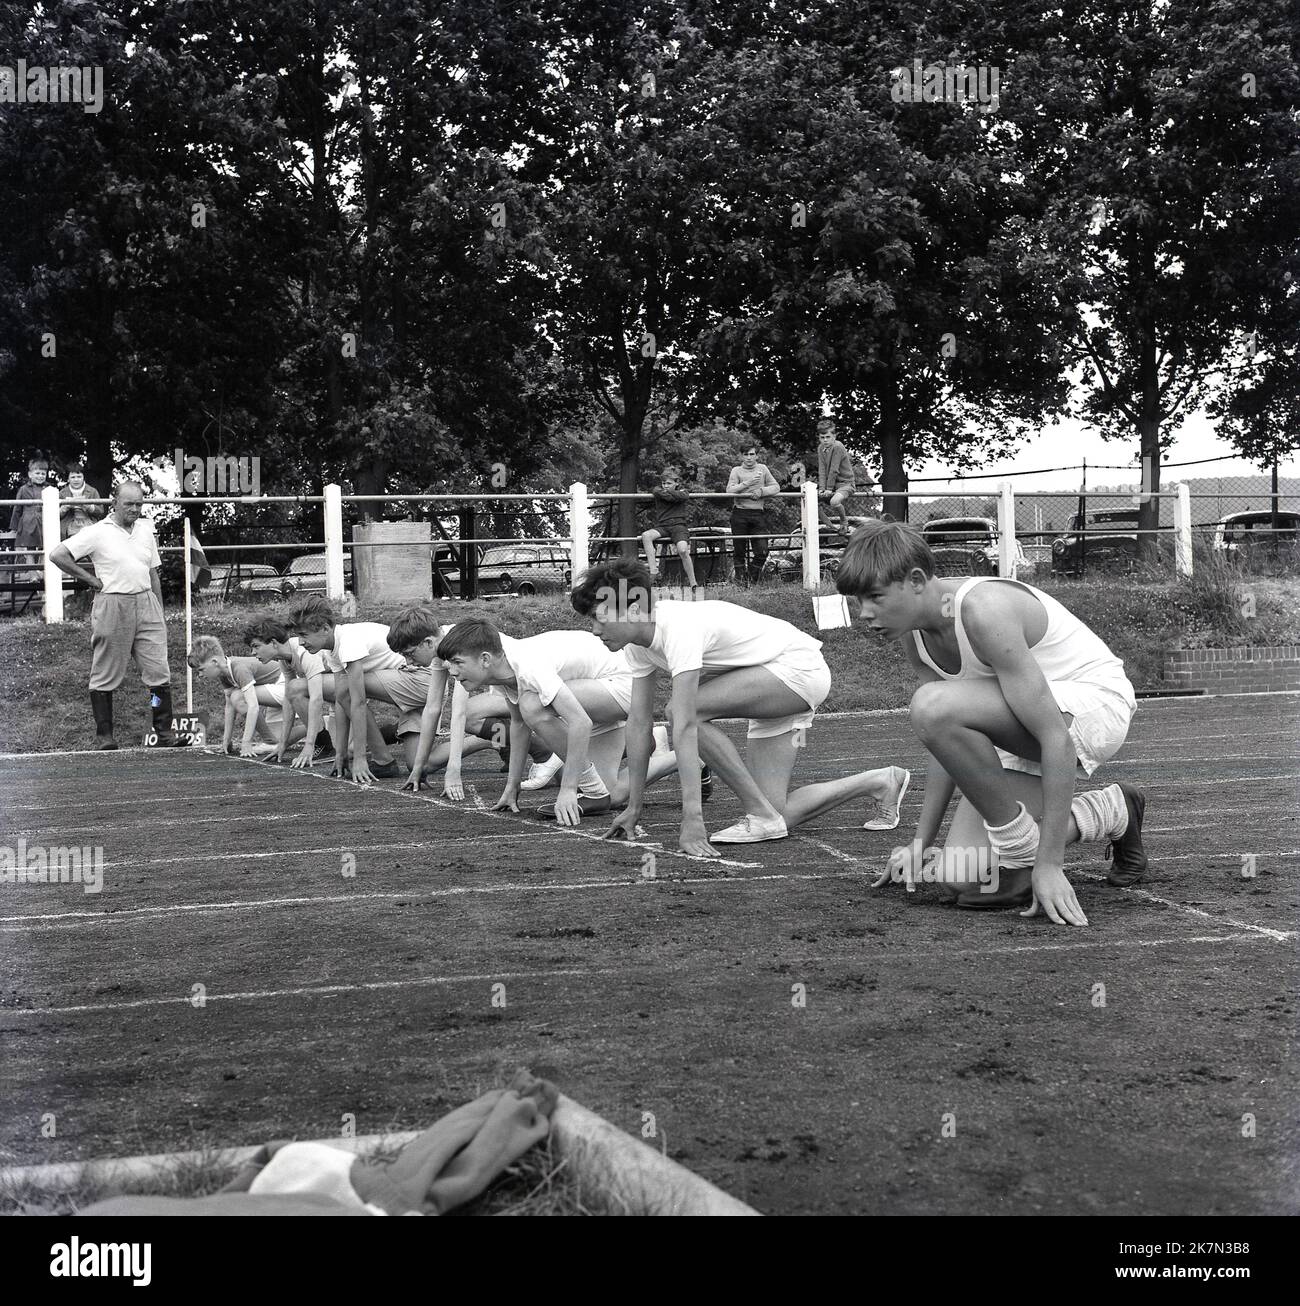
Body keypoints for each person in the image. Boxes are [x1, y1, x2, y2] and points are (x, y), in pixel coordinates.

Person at [834, 520, 1147, 927]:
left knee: (932, 704)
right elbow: (944, 742)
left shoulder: (982, 609)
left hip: (1090, 709)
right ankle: (1113, 809)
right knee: (960, 877)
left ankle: (1021, 854)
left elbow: (1055, 738)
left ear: (915, 580)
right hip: (1020, 725)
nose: (865, 613)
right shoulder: (915, 634)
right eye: (858, 602)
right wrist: (920, 843)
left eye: (874, 597)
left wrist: (1048, 865)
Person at [571, 558, 910, 856]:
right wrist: (634, 806)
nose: (595, 629)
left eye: (601, 618)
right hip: (764, 682)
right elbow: (639, 723)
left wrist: (692, 819)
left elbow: (686, 723)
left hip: (796, 671)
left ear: (633, 610)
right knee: (776, 817)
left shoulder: (678, 628)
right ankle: (880, 781)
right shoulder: (636, 646)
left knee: (681, 712)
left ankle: (754, 812)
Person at [435, 618, 690, 824]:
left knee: (532, 704)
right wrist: (512, 786)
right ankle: (690, 757)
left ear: (485, 659)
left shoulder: (528, 665)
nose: (452, 672)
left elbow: (580, 722)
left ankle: (595, 785)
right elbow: (519, 726)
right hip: (592, 694)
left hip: (623, 686)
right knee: (610, 795)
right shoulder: (501, 674)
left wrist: (569, 789)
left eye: (457, 663)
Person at [48, 480, 187, 748]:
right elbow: (58, 554)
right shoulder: (97, 531)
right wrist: (91, 580)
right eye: (129, 504)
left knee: (158, 671)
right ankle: (104, 735)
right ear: (114, 503)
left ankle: (163, 730)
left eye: (139, 504)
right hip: (113, 604)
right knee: (105, 671)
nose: (135, 509)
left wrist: (158, 609)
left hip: (146, 603)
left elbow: (152, 572)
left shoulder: (146, 531)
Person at [383, 605, 554, 798]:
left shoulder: (457, 645)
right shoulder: (440, 648)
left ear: (428, 643)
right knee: (427, 759)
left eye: (409, 653)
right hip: (512, 690)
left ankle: (543, 750)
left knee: (469, 715)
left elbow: (459, 712)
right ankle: (513, 743)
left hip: (535, 684)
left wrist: (454, 771)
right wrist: (418, 767)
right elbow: (432, 708)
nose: (408, 662)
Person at [286, 594, 429, 784]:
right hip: (408, 685)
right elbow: (340, 701)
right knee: (418, 764)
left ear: (325, 629)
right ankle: (480, 738)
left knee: (349, 691)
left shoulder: (347, 642)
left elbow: (358, 702)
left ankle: (382, 759)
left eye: (304, 635)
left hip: (423, 681)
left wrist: (360, 758)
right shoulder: (331, 649)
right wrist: (341, 753)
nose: (301, 643)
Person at [241, 617, 335, 767]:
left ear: (273, 643)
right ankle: (387, 732)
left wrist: (309, 745)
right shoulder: (284, 659)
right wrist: (282, 744)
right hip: (337, 691)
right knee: (349, 749)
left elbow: (316, 699)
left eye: (256, 646)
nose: (253, 652)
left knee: (296, 686)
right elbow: (288, 700)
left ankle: (322, 744)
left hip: (351, 685)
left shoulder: (304, 652)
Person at [188, 634, 299, 758]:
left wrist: (246, 743)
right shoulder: (224, 672)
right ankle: (322, 722)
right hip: (275, 688)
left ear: (214, 662)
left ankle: (269, 741)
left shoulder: (239, 668)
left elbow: (253, 706)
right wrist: (226, 740)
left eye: (201, 669)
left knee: (238, 697)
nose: (200, 675)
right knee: (280, 737)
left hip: (286, 685)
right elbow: (230, 707)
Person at [725, 444, 780, 586]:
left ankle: (750, 579)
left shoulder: (763, 469)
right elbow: (730, 490)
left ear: (756, 455)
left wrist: (761, 491)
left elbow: (776, 487)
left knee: (762, 550)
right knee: (739, 551)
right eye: (746, 454)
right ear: (741, 456)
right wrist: (748, 483)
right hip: (739, 513)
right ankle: (741, 584)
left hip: (758, 514)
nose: (749, 458)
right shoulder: (736, 470)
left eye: (751, 454)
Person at [640, 467, 700, 592]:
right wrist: (674, 494)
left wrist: (672, 494)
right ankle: (653, 570)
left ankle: (693, 583)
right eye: (664, 483)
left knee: (683, 550)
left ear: (676, 483)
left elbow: (684, 496)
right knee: (646, 535)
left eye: (669, 483)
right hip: (662, 526)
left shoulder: (682, 492)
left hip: (679, 526)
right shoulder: (658, 490)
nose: (665, 486)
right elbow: (659, 492)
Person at [8, 455, 48, 580]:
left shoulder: (49, 489)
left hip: (44, 520)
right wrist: (14, 527)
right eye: (37, 473)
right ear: (30, 474)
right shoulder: (23, 489)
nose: (40, 476)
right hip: (28, 521)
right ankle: (33, 575)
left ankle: (43, 573)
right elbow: (17, 509)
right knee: (29, 549)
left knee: (45, 547)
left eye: (43, 473)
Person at [815, 416, 855, 534]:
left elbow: (834, 470)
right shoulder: (821, 448)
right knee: (812, 500)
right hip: (832, 485)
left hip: (845, 483)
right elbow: (822, 469)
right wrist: (822, 489)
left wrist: (828, 489)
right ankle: (830, 526)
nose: (825, 440)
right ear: (819, 438)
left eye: (828, 437)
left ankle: (844, 522)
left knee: (834, 501)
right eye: (822, 437)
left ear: (834, 436)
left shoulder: (838, 446)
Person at [58, 464, 105, 538]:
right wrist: (65, 508)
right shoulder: (62, 493)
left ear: (83, 478)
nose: (76, 480)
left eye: (79, 477)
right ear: (68, 479)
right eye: (73, 477)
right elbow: (54, 515)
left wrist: (89, 506)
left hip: (89, 523)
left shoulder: (92, 491)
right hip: (69, 525)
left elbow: (101, 511)